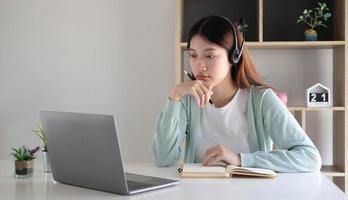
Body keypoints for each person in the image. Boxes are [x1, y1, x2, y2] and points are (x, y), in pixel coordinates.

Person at [151, 15, 321, 172]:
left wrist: (241, 159)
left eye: (210, 56)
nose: (199, 65)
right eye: (193, 55)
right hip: (198, 192)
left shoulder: (261, 99)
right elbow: (162, 159)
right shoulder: (187, 100)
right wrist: (174, 96)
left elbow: (310, 157)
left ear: (234, 57)